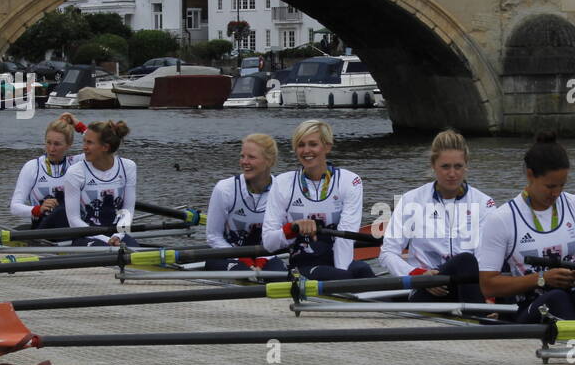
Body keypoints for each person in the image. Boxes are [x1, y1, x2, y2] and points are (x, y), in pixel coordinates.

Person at [476, 133, 575, 324]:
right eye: (550, 186)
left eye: (562, 185)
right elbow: (488, 286)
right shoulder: (501, 219)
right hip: (531, 306)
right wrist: (542, 279)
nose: (556, 193)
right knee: (556, 298)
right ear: (530, 175)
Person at [379, 129, 494, 304]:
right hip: (424, 288)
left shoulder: (485, 203)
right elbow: (388, 253)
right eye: (445, 166)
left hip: (467, 284)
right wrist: (419, 276)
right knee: (465, 259)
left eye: (458, 166)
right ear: (433, 165)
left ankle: (481, 309)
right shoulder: (411, 201)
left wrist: (489, 296)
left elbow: (485, 257)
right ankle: (481, 316)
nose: (452, 174)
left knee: (467, 261)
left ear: (466, 165)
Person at [261, 120, 375, 280]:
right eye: (301, 145)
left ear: (327, 146)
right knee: (349, 276)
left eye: (313, 144)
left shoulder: (350, 181)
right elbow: (268, 243)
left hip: (339, 263)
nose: (306, 150)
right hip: (303, 266)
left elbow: (346, 237)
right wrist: (292, 228)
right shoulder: (282, 183)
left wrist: (344, 276)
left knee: (363, 269)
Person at [204, 134, 286, 272]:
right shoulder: (225, 189)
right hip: (227, 255)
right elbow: (213, 236)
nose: (244, 162)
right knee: (241, 271)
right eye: (242, 156)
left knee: (281, 276)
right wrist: (239, 258)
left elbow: (280, 237)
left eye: (251, 157)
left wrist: (265, 258)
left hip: (265, 256)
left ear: (269, 161)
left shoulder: (282, 191)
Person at [62, 120, 137, 247]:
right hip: (85, 235)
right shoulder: (75, 172)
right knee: (108, 251)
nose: (84, 147)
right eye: (84, 141)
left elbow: (127, 210)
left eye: (89, 142)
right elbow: (74, 220)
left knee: (135, 250)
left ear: (105, 147)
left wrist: (118, 235)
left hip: (116, 234)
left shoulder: (128, 167)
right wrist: (105, 239)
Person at [10, 113, 85, 230]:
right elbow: (14, 207)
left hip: (70, 229)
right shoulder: (32, 167)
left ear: (69, 145)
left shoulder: (76, 163)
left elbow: (101, 148)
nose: (51, 149)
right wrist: (38, 209)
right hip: (42, 230)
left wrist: (79, 126)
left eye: (57, 144)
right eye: (48, 142)